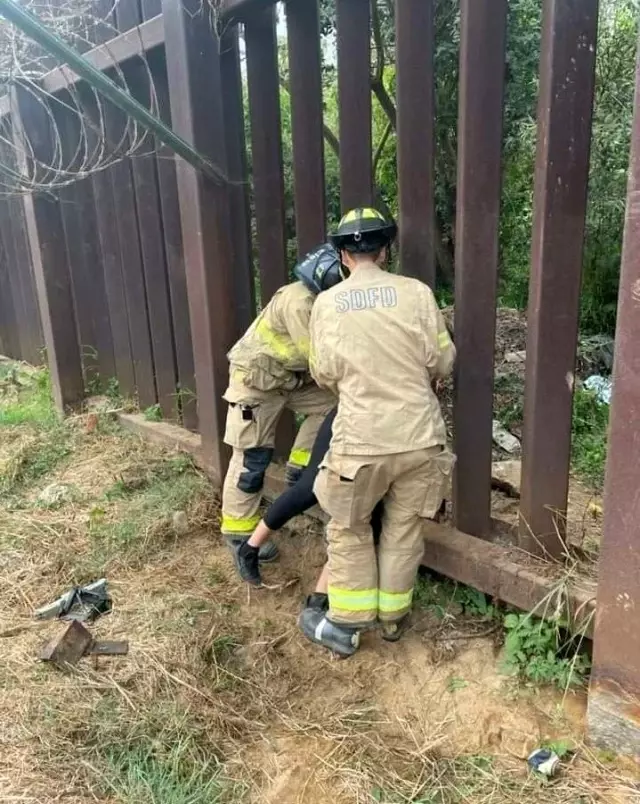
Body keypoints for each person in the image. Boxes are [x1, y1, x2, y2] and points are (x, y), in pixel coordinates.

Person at [300, 207, 456, 658]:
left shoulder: (327, 303)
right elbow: (443, 360)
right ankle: (392, 620)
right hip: (421, 437)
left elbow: (324, 372)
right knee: (404, 528)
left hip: (360, 443)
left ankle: (345, 627)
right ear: (385, 249)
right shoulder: (418, 293)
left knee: (348, 528)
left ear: (344, 255)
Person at [220, 243, 342, 563]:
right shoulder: (301, 302)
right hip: (255, 384)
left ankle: (299, 470)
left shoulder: (320, 299)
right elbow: (320, 360)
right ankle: (238, 532)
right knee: (252, 459)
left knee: (335, 405)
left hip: (289, 381)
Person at [232, 406, 384, 595]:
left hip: (383, 435)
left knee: (368, 517)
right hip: (349, 419)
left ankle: (320, 599)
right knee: (309, 488)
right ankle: (249, 548)